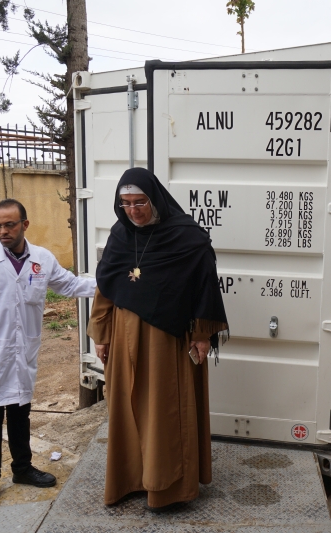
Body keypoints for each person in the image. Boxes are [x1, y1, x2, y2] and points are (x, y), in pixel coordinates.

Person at [88, 167, 228, 510]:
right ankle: (130, 479)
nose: (133, 210)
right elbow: (106, 287)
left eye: (140, 202)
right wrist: (102, 334)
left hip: (167, 342)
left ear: (155, 199)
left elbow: (204, 285)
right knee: (127, 407)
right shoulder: (120, 236)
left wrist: (201, 335)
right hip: (123, 339)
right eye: (125, 203)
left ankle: (168, 488)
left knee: (164, 410)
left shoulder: (187, 236)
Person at [0, 198, 96, 509]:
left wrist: (115, 284)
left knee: (20, 413)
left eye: (9, 224)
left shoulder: (41, 259)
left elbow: (70, 285)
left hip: (21, 352)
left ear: (24, 225)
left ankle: (22, 469)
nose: (3, 230)